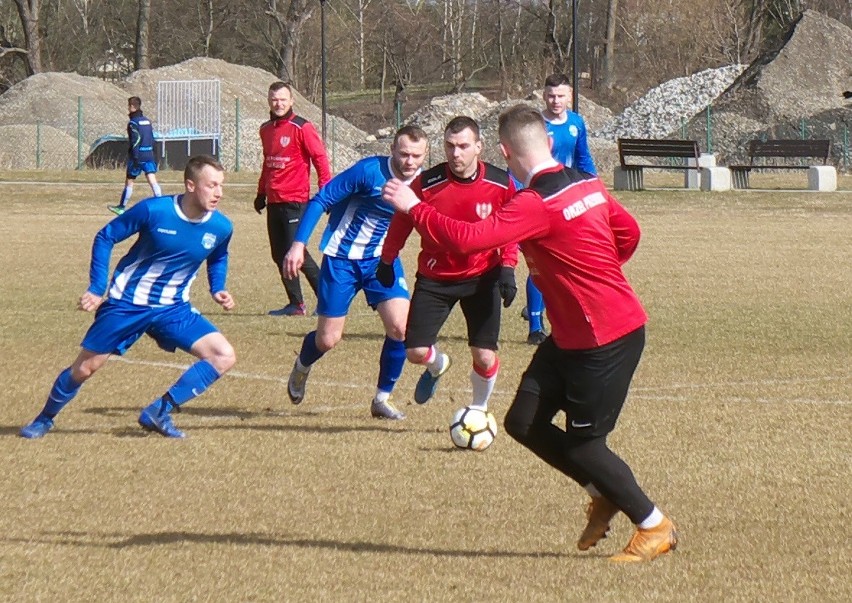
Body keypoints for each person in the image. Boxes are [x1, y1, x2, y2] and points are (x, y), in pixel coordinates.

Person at [382, 105, 677, 563]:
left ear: (503, 150)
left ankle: (653, 524)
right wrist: (592, 272)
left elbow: (467, 239)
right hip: (573, 337)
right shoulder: (588, 183)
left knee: (585, 444)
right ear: (548, 142)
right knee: (522, 422)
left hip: (608, 338)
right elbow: (629, 234)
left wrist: (413, 206)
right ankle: (602, 495)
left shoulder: (534, 203)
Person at [20, 155, 236, 439]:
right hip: (127, 304)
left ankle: (159, 411)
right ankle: (44, 418)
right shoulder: (154, 211)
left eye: (221, 185)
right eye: (212, 185)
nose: (219, 193)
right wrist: (97, 288)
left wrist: (217, 287)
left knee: (223, 355)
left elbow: (218, 255)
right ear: (191, 185)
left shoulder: (221, 226)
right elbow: (106, 236)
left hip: (173, 308)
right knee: (85, 368)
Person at [282, 125, 428, 420]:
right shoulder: (368, 171)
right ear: (392, 151)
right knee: (328, 340)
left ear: (425, 155)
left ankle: (382, 399)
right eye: (403, 154)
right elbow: (321, 200)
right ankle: (302, 365)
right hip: (341, 260)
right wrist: (298, 244)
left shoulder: (424, 183)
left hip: (381, 260)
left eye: (416, 156)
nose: (409, 161)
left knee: (400, 328)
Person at [378, 116, 518, 412]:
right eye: (450, 146)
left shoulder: (500, 183)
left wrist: (507, 267)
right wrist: (387, 259)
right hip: (436, 277)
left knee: (484, 356)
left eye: (463, 146)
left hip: (483, 277)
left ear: (479, 147)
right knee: (415, 351)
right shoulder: (427, 183)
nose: (456, 154)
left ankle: (478, 410)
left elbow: (511, 227)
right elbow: (403, 220)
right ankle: (438, 364)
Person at [523, 73, 597, 345]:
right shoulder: (535, 125)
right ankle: (534, 325)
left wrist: (595, 186)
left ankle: (569, 318)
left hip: (567, 199)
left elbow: (583, 159)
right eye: (551, 96)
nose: (556, 101)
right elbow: (520, 163)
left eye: (561, 95)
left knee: (567, 260)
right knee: (539, 264)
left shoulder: (577, 123)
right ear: (544, 96)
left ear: (570, 96)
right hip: (538, 199)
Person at [256, 81, 331, 316]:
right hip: (274, 201)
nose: (278, 103)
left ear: (291, 101)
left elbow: (320, 158)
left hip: (296, 201)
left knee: (298, 254)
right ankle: (296, 304)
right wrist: (261, 193)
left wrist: (325, 191)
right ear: (269, 101)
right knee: (279, 254)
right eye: (274, 99)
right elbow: (268, 163)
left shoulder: (302, 127)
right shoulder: (266, 129)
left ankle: (329, 301)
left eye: (282, 99)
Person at [108, 96, 162, 216]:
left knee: (129, 181)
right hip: (149, 154)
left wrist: (135, 156)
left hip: (138, 156)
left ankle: (121, 207)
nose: (128, 108)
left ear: (132, 107)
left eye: (128, 106)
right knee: (152, 179)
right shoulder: (147, 121)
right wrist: (154, 154)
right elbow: (152, 138)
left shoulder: (133, 123)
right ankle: (161, 203)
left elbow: (135, 141)